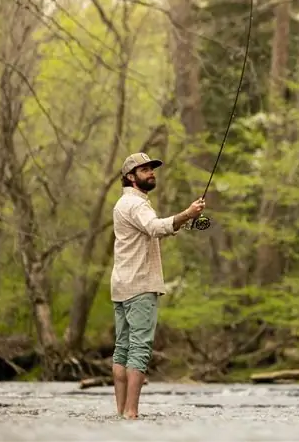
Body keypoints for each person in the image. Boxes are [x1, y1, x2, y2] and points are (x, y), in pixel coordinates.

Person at [110, 152, 206, 420]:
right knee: (138, 350)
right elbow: (154, 227)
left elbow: (153, 230)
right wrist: (187, 213)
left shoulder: (123, 204)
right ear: (131, 176)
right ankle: (131, 413)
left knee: (121, 349)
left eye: (152, 168)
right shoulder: (137, 205)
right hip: (140, 287)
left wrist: (184, 220)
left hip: (120, 286)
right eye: (145, 169)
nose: (151, 172)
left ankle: (120, 413)